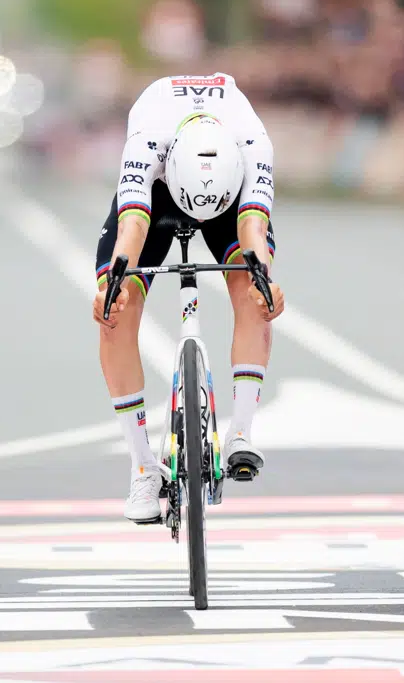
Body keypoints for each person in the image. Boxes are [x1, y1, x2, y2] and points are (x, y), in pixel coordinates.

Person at [93, 73, 286, 523]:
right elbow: (132, 226)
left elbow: (253, 226)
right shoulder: (148, 137)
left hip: (229, 201)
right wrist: (112, 288)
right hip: (159, 195)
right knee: (116, 311)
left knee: (254, 291)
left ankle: (241, 434)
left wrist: (265, 281)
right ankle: (143, 467)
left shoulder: (253, 142)